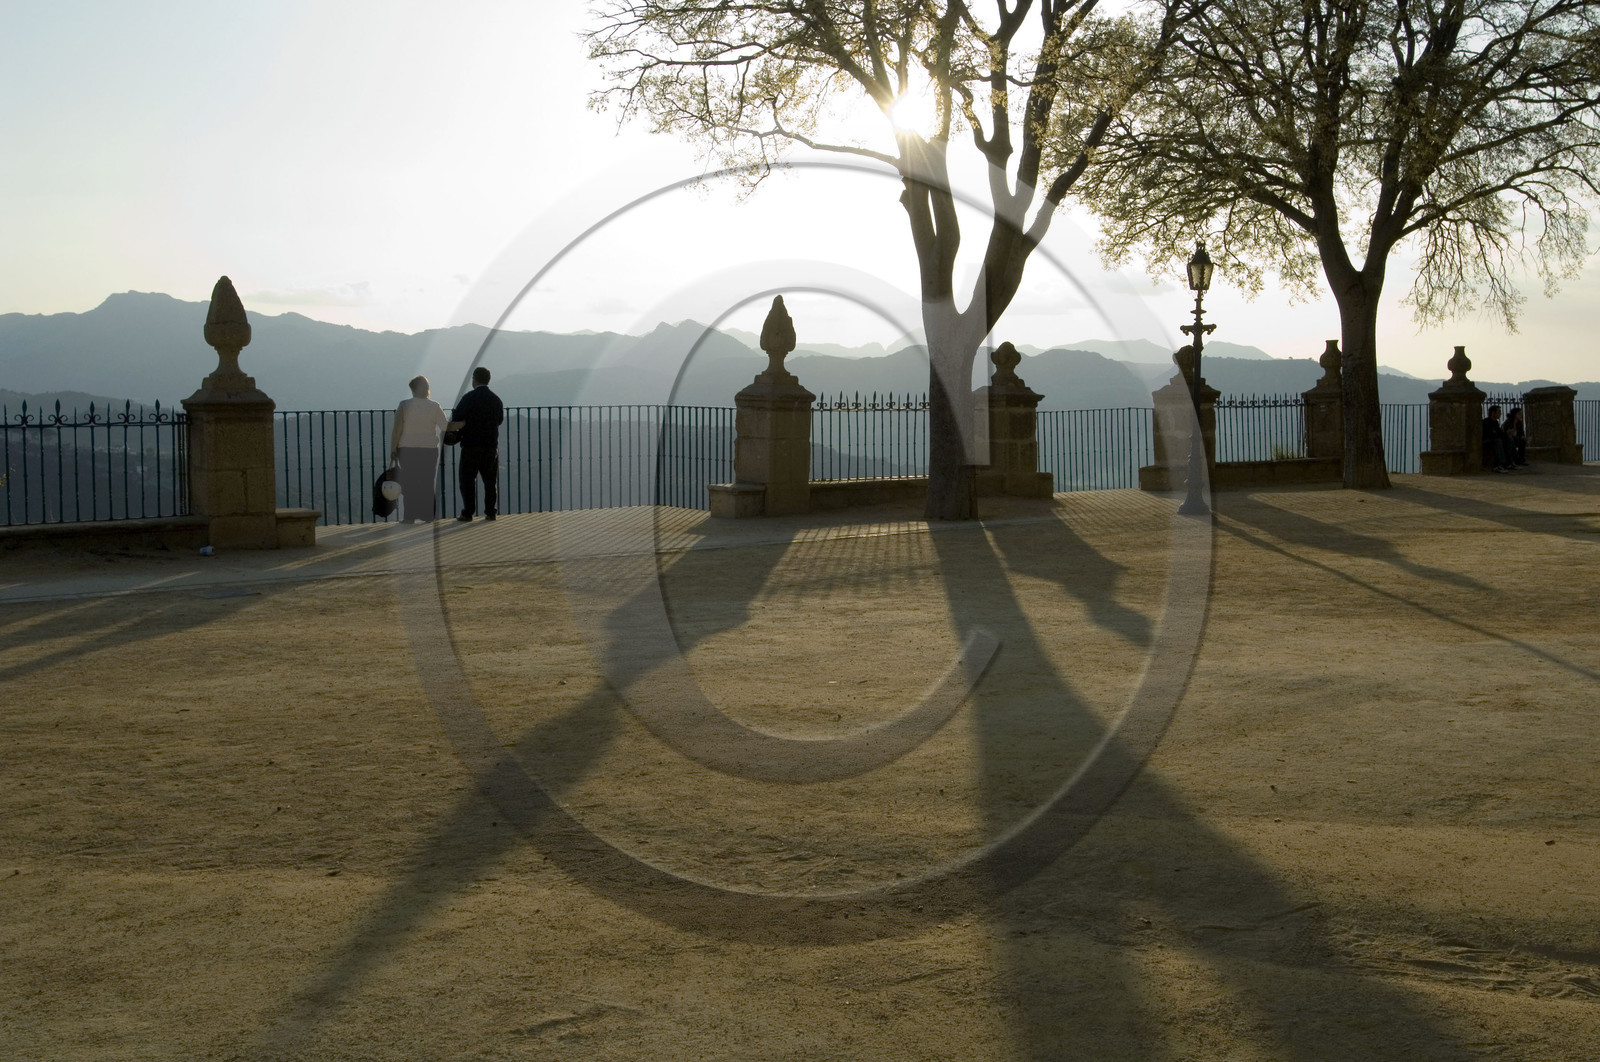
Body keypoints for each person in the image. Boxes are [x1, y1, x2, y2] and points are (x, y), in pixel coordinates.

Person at [389, 375, 448, 522]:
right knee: (427, 482)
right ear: (427, 389)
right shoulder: (435, 406)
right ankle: (428, 515)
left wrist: (393, 449)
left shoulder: (404, 405)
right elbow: (445, 426)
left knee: (410, 482)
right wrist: (460, 424)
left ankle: (409, 516)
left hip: (407, 448)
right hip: (429, 449)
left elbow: (397, 430)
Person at [451, 366, 504, 521]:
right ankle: (490, 511)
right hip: (490, 445)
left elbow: (457, 416)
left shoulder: (469, 398)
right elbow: (499, 420)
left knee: (467, 479)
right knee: (490, 480)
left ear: (475, 379)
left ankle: (468, 512)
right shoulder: (496, 399)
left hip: (471, 445)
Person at [1482, 404, 1513, 473]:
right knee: (1498, 441)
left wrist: (1506, 434)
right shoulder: (1486, 422)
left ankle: (1509, 462)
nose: (1500, 414)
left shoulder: (1495, 422)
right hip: (1486, 441)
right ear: (1493, 413)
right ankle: (1499, 465)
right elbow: (1490, 434)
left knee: (1509, 439)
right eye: (1499, 412)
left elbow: (1499, 433)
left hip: (1494, 440)